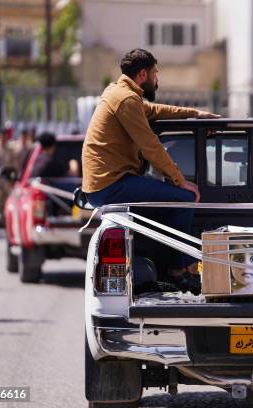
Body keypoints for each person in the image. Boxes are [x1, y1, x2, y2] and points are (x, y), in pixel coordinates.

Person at [81, 48, 220, 291]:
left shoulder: (120, 94)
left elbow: (154, 111)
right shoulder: (126, 100)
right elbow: (151, 147)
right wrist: (179, 180)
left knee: (172, 201)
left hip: (108, 184)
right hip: (111, 186)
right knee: (185, 198)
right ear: (143, 74)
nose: (158, 80)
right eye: (156, 74)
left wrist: (194, 114)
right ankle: (178, 269)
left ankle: (178, 264)